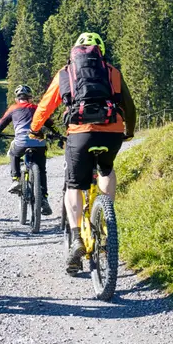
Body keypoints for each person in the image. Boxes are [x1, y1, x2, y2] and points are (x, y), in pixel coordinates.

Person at [31, 32, 136, 275]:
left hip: (79, 134)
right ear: (101, 51)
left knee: (74, 186)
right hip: (111, 132)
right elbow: (128, 106)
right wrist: (127, 132)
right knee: (106, 168)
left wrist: (36, 129)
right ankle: (107, 213)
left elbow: (46, 105)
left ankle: (77, 237)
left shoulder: (66, 72)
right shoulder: (112, 72)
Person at [0, 84, 57, 215]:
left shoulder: (13, 109)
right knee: (42, 170)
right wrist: (57, 134)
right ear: (30, 98)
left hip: (21, 142)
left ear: (17, 99)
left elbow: (1, 124)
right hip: (39, 143)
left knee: (13, 153)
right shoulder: (37, 108)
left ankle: (16, 179)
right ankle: (44, 198)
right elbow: (51, 124)